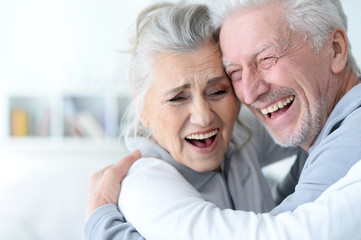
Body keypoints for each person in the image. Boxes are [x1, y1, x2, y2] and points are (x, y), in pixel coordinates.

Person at [86, 0, 361, 239]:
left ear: (335, 49)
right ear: (141, 109)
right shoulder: (143, 183)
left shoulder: (237, 137)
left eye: (218, 90)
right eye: (177, 98)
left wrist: (103, 227)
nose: (204, 116)